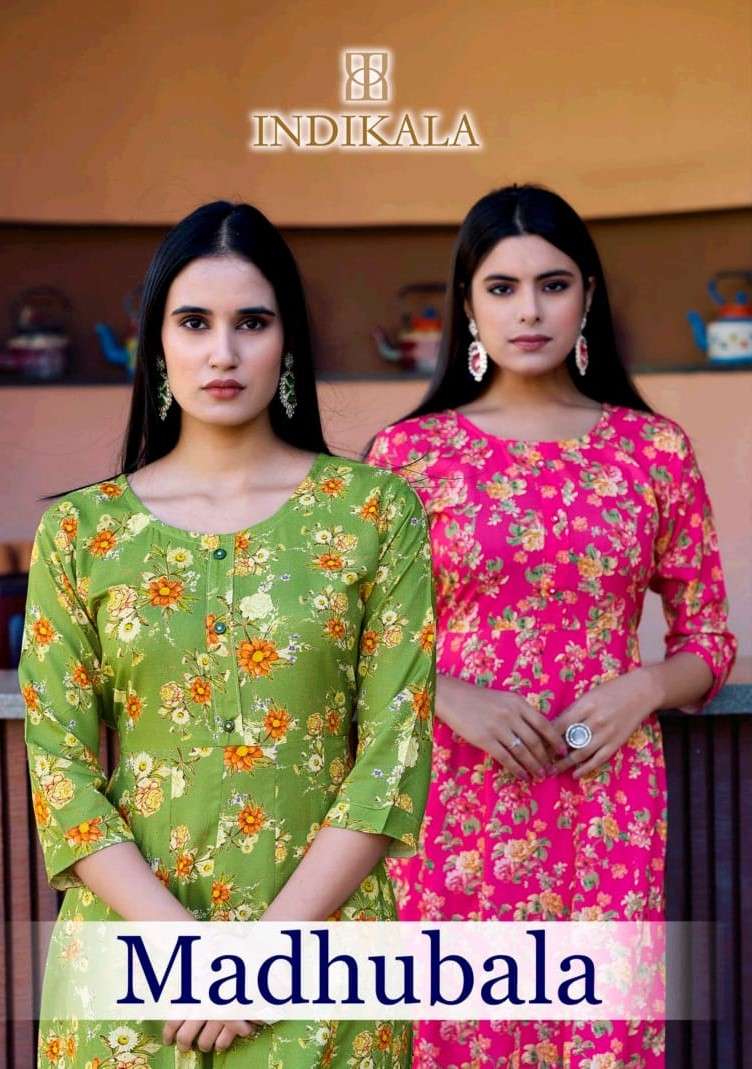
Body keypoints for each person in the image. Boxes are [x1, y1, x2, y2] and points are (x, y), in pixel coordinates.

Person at [20, 200, 436, 1067]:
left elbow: (393, 754)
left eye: (252, 322)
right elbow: (59, 768)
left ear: (288, 343)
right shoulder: (82, 532)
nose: (223, 351)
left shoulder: (374, 512)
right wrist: (183, 951)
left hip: (321, 959)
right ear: (155, 344)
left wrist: (259, 961)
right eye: (194, 322)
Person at [366, 184, 736, 1069]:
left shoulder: (653, 450)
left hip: (604, 797)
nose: (528, 310)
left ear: (588, 297)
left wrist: (643, 688)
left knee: (599, 1039)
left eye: (553, 284)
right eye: (501, 287)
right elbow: (358, 641)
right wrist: (447, 692)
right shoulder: (409, 457)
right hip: (448, 799)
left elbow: (709, 639)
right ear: (468, 306)